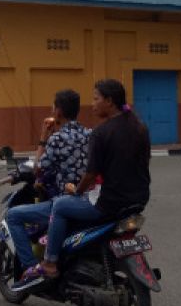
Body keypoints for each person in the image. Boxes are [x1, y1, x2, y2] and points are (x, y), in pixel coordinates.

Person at [18, 79, 150, 286]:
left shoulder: (101, 132)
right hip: (138, 199)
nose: (93, 104)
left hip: (109, 202)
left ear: (109, 101)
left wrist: (77, 192)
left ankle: (50, 263)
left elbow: (90, 174)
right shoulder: (139, 127)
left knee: (61, 205)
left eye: (96, 99)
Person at [5, 90, 91, 281]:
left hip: (63, 201)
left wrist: (44, 137)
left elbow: (38, 169)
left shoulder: (57, 139)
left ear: (58, 112)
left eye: (53, 107)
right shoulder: (89, 134)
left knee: (13, 216)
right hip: (87, 199)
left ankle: (31, 269)